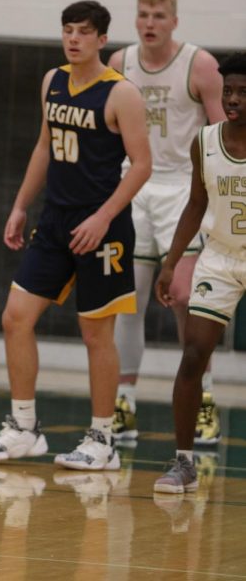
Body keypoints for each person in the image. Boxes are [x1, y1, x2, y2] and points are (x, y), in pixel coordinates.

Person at [0, 1, 151, 470]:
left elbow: (142, 166)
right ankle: (25, 430)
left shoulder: (121, 94)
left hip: (102, 226)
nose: (73, 39)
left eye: (83, 32)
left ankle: (103, 439)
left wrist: (104, 217)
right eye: (68, 30)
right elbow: (45, 146)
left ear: (102, 40)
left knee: (95, 333)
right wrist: (20, 205)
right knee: (16, 317)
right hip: (54, 220)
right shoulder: (52, 81)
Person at [108, 0, 225, 445]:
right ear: (135, 19)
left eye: (158, 15)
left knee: (185, 298)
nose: (150, 23)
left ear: (174, 21)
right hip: (134, 181)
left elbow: (221, 136)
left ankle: (204, 399)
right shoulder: (119, 64)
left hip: (183, 186)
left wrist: (218, 201)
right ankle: (124, 405)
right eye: (143, 15)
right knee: (128, 300)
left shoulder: (200, 64)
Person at [153, 53, 246, 493]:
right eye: (228, 90)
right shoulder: (205, 141)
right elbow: (195, 204)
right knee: (193, 354)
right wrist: (171, 262)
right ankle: (185, 462)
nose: (233, 99)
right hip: (221, 258)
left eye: (243, 93)